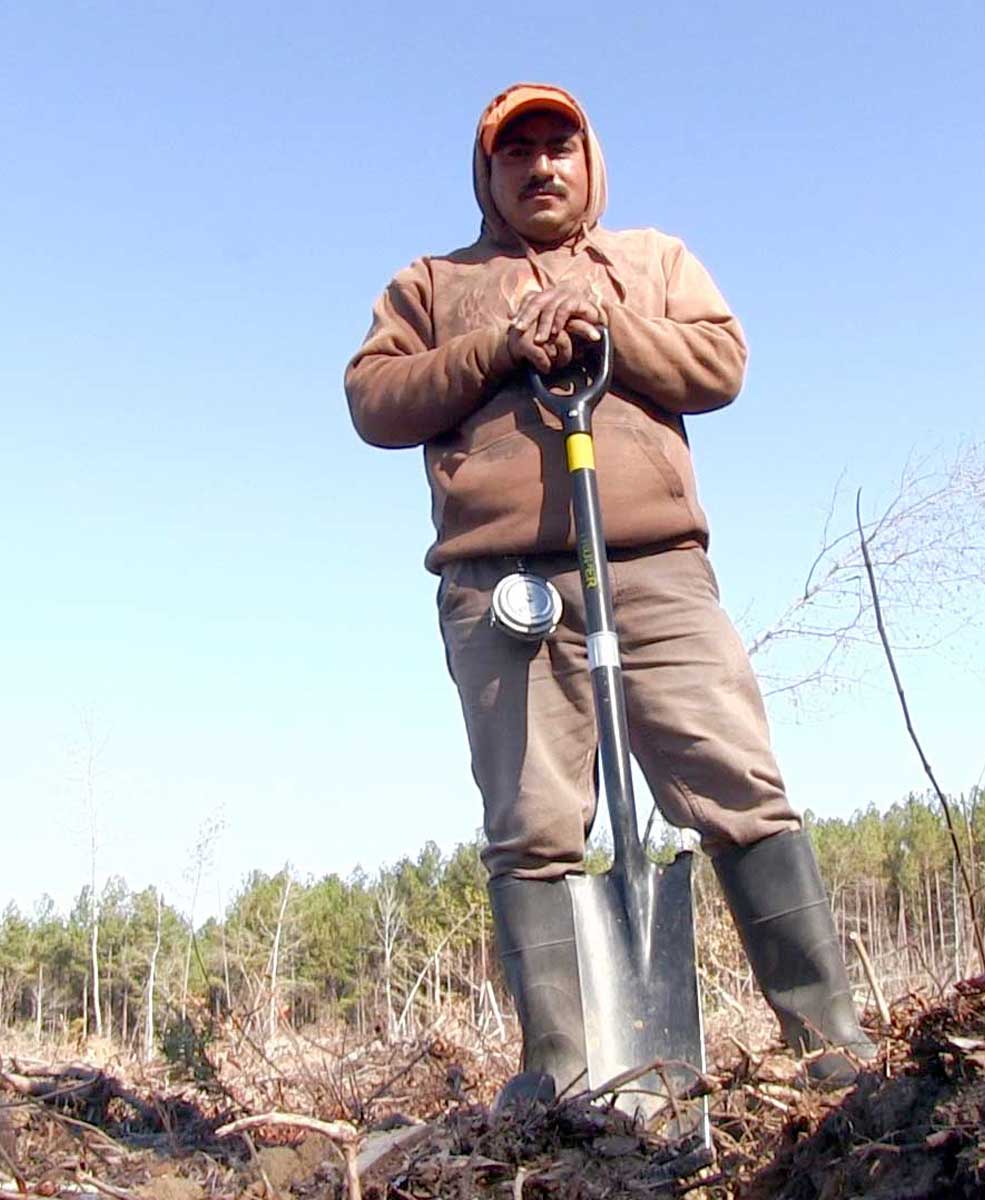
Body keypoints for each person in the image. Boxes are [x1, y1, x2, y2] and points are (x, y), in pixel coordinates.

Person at [345, 83, 875, 1104]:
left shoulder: (652, 260)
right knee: (535, 822)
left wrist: (609, 326)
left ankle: (828, 1036)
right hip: (503, 587)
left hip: (657, 569)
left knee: (739, 783)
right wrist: (501, 346)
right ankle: (560, 1070)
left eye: (560, 147)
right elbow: (374, 399)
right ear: (487, 174)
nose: (541, 166)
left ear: (589, 163)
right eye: (518, 153)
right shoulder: (430, 282)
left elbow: (719, 362)